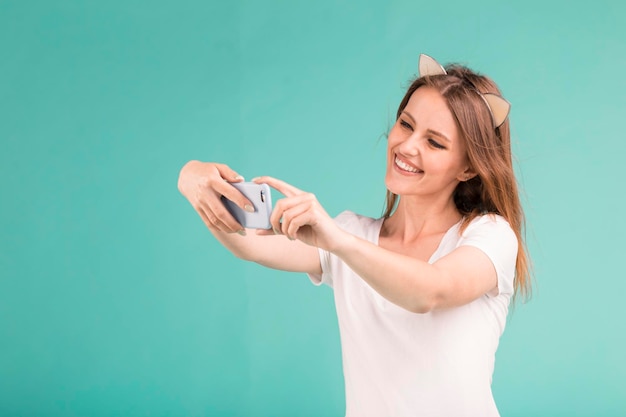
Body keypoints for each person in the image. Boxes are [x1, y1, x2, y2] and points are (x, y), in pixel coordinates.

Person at [177, 54, 531, 417]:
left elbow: (431, 290)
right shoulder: (350, 235)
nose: (408, 147)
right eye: (406, 124)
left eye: (435, 143)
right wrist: (192, 178)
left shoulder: (490, 237)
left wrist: (337, 241)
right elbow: (247, 243)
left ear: (469, 167)